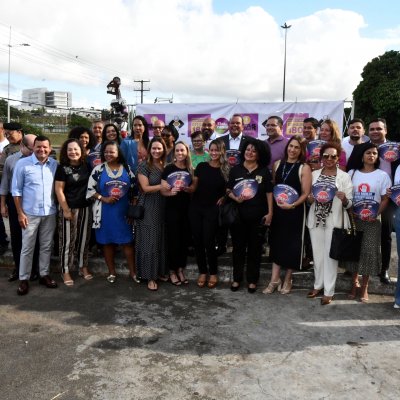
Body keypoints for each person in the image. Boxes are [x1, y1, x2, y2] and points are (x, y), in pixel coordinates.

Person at [306, 142, 353, 305]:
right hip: (316, 219)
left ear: (338, 158)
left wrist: (344, 198)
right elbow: (307, 197)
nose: (330, 159)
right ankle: (317, 285)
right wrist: (309, 199)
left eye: (333, 156)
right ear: (321, 157)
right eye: (326, 156)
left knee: (330, 256)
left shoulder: (344, 177)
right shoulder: (313, 174)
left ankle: (329, 291)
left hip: (334, 221)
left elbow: (349, 204)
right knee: (318, 255)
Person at [12, 135, 59, 296]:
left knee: (46, 246)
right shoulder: (22, 164)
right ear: (33, 147)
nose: (42, 150)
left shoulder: (54, 165)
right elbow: (16, 191)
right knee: (27, 247)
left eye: (45, 147)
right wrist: (20, 213)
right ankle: (24, 279)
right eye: (38, 146)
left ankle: (44, 275)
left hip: (49, 212)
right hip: (29, 213)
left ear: (50, 148)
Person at [344, 143, 391, 302]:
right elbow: (347, 195)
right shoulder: (352, 173)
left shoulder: (382, 175)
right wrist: (351, 211)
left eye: (375, 153)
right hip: (354, 218)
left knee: (369, 253)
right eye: (368, 153)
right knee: (354, 253)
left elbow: (385, 199)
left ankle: (364, 288)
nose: (371, 155)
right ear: (361, 156)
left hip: (372, 220)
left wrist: (375, 214)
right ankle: (353, 284)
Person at [265, 135, 312, 295]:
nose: (292, 150)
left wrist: (291, 205)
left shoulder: (304, 167)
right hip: (278, 210)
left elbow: (305, 193)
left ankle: (288, 279)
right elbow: (274, 187)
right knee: (277, 243)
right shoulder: (278, 164)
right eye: (290, 146)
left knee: (293, 246)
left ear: (301, 151)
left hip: (295, 211)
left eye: (296, 147)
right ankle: (274, 279)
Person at [227, 137, 273, 293]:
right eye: (248, 150)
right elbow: (228, 190)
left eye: (254, 151)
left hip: (258, 217)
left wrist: (270, 213)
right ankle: (237, 279)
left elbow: (269, 193)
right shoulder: (236, 170)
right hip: (239, 216)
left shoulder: (264, 171)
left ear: (259, 155)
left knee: (255, 249)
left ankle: (252, 280)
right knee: (238, 249)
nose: (250, 153)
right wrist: (235, 198)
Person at [86, 141, 136, 283]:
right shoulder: (98, 170)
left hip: (123, 212)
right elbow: (90, 190)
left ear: (118, 153)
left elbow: (134, 190)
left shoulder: (126, 169)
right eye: (106, 152)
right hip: (104, 212)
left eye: (112, 152)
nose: (108, 154)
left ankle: (133, 272)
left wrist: (132, 209)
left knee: (127, 242)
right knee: (107, 242)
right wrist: (104, 198)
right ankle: (112, 272)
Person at [189, 139, 229, 288]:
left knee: (209, 241)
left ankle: (213, 273)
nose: (213, 153)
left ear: (222, 152)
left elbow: (229, 189)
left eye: (217, 150)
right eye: (211, 150)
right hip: (196, 208)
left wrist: (224, 198)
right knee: (197, 241)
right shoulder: (201, 166)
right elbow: (194, 185)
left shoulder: (226, 169)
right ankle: (202, 272)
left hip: (212, 210)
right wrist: (187, 189)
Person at [0, 134, 39, 282]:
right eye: (31, 148)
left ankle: (33, 269)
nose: (35, 151)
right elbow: (4, 183)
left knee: (33, 236)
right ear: (23, 145)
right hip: (14, 200)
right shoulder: (11, 160)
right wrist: (2, 204)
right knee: (17, 237)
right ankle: (18, 268)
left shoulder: (38, 159)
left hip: (32, 202)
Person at [55, 138, 93, 286]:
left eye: (76, 149)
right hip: (68, 208)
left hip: (85, 207)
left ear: (81, 151)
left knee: (84, 239)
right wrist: (65, 209)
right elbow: (59, 190)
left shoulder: (86, 165)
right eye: (70, 149)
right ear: (65, 151)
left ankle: (83, 267)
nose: (73, 152)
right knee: (67, 241)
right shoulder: (62, 168)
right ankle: (65, 270)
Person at [135, 137, 167, 291]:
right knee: (150, 242)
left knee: (160, 240)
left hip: (163, 206)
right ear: (149, 150)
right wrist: (163, 185)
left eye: (159, 148)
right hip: (149, 207)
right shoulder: (143, 166)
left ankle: (159, 272)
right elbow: (146, 188)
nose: (156, 151)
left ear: (164, 150)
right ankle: (149, 277)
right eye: (153, 148)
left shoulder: (165, 165)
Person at [161, 141, 195, 285]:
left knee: (183, 241)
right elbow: (162, 190)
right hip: (171, 209)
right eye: (177, 151)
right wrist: (170, 192)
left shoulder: (190, 169)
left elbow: (193, 189)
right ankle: (172, 271)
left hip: (186, 209)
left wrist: (188, 189)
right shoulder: (168, 168)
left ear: (187, 152)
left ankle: (180, 269)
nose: (180, 153)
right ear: (174, 152)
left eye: (182, 150)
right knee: (173, 241)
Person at [368, 118, 395, 284]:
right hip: (366, 196)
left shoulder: (395, 149)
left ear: (385, 131)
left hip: (388, 198)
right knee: (363, 232)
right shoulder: (364, 147)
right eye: (372, 129)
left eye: (379, 129)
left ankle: (383, 269)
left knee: (385, 235)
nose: (375, 132)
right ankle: (356, 267)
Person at [0, 122, 23, 254]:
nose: (7, 136)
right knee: (15, 231)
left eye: (10, 133)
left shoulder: (33, 144)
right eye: (6, 133)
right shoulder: (7, 149)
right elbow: (3, 173)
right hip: (12, 194)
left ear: (20, 131)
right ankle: (18, 262)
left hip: (31, 195)